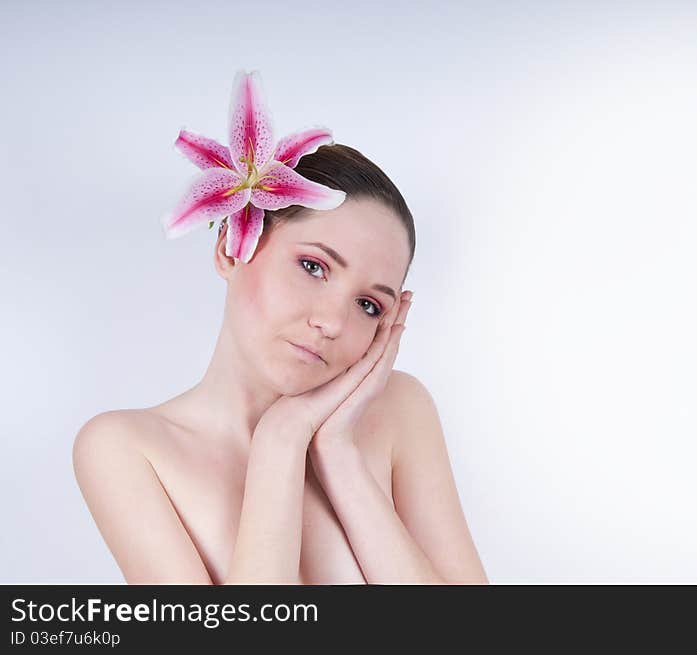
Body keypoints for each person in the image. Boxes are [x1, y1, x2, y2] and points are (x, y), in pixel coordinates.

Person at [72, 71, 488, 585]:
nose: (332, 322)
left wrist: (338, 452)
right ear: (231, 247)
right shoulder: (128, 449)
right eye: (313, 267)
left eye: (368, 305)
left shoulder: (399, 409)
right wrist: (281, 442)